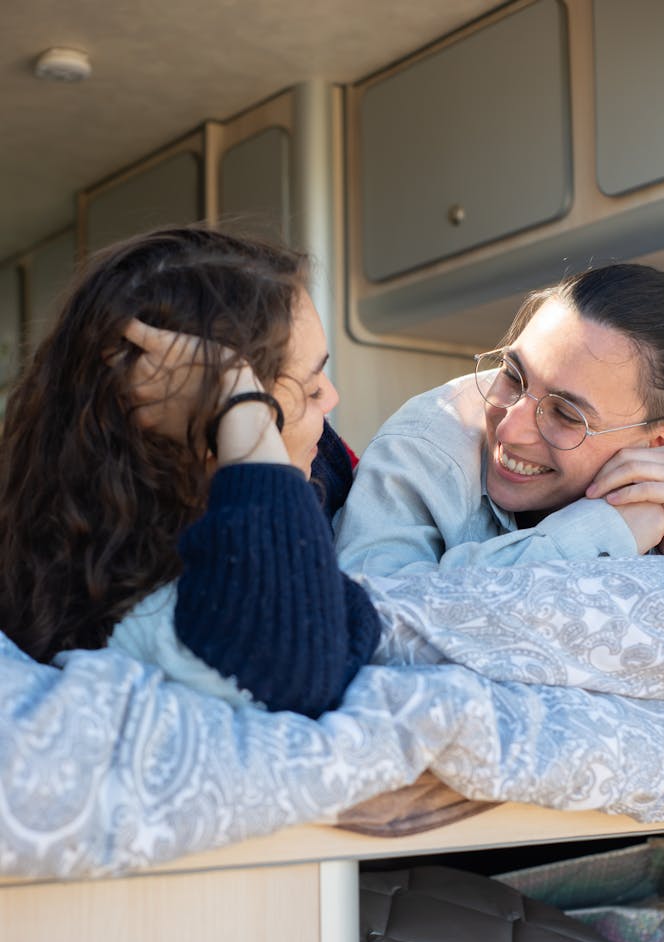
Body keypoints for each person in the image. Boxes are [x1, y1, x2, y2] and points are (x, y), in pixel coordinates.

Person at [0, 227, 381, 717]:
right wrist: (241, 405)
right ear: (213, 427)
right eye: (309, 388)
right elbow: (302, 668)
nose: (331, 399)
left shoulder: (312, 474)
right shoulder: (145, 614)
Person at [335, 263, 664, 576]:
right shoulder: (419, 450)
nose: (510, 430)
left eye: (566, 414)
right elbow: (379, 615)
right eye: (513, 375)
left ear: (656, 444)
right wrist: (597, 532)